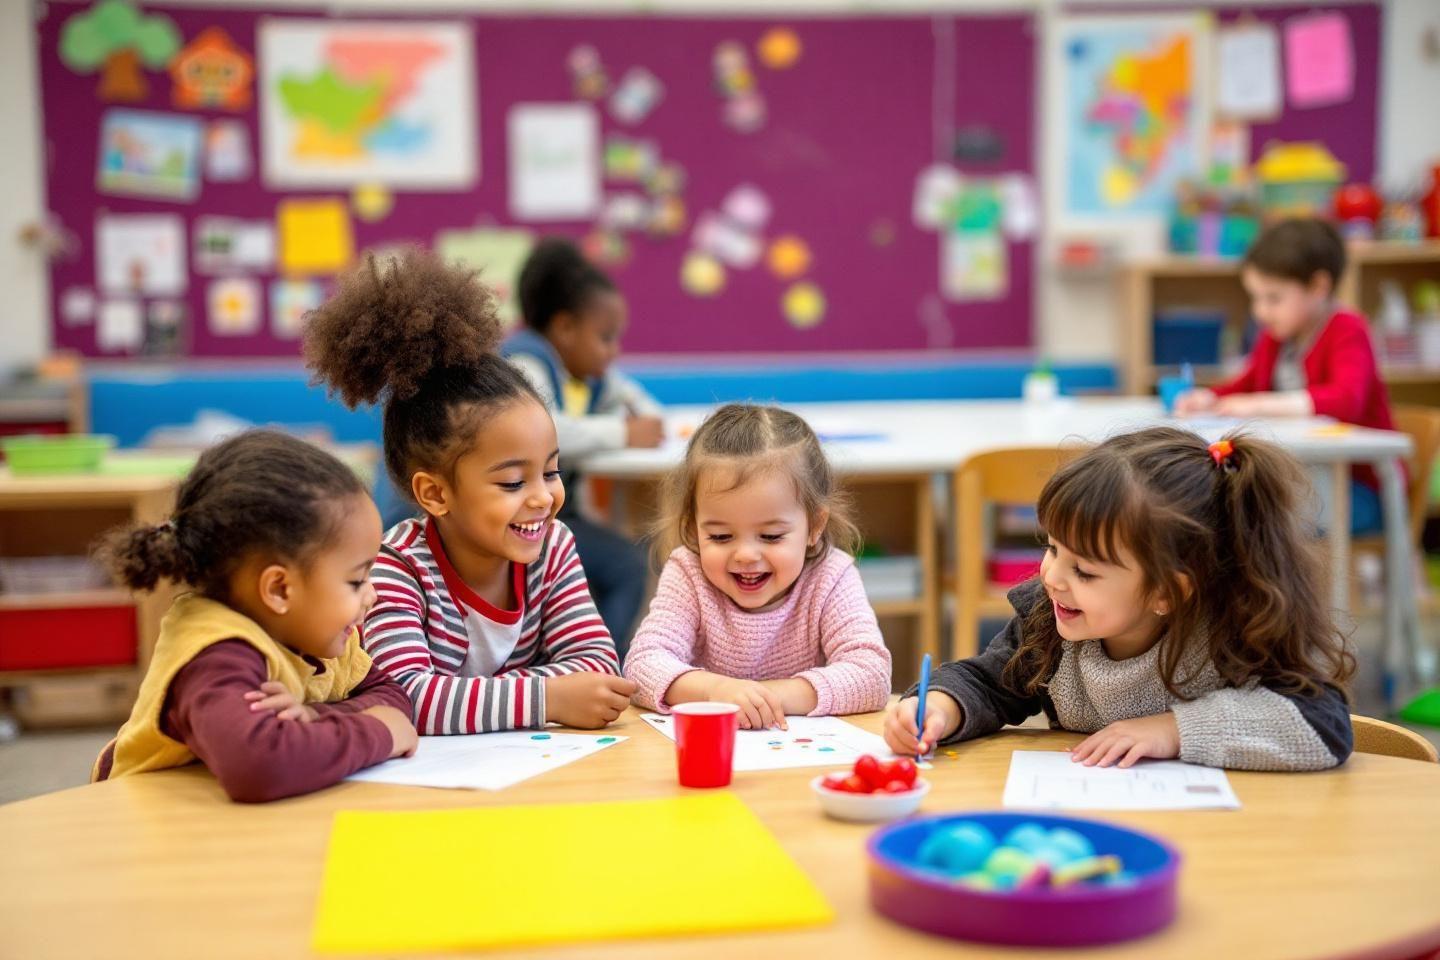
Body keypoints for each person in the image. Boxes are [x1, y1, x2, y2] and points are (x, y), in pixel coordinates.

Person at [883, 427, 1354, 771]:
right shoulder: (1049, 624)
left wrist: (1172, 730)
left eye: (1085, 570)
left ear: (1168, 592)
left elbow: (1324, 724)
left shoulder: (1230, 638)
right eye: (1051, 548)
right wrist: (942, 708)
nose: (1052, 577)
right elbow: (988, 684)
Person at [304, 248, 634, 734]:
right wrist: (547, 695)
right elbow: (405, 696)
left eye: (551, 471)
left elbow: (598, 666)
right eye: (512, 482)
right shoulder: (395, 569)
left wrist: (479, 698)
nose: (543, 498)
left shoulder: (552, 548)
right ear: (435, 494)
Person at [92, 430, 417, 802]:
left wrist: (315, 716)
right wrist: (377, 732)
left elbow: (391, 697)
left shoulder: (322, 634)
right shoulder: (215, 651)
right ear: (279, 589)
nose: (372, 596)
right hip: (143, 829)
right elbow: (260, 766)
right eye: (356, 580)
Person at [625, 403, 892, 729]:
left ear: (815, 526)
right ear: (694, 527)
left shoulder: (830, 575)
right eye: (721, 536)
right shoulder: (688, 572)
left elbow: (871, 675)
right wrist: (717, 691)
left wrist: (764, 698)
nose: (746, 555)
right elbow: (642, 665)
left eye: (770, 535)